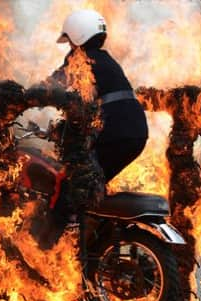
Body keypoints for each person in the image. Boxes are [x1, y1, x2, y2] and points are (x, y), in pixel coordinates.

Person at [49, 9, 148, 183]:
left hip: (115, 135)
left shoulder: (79, 61)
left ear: (78, 36)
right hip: (135, 133)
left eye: (70, 41)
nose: (70, 46)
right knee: (93, 183)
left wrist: (24, 97)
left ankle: (70, 210)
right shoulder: (104, 60)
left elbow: (51, 87)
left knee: (76, 185)